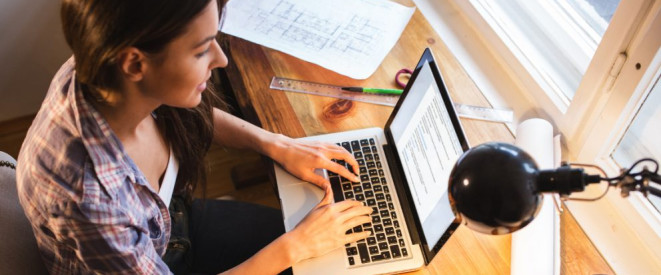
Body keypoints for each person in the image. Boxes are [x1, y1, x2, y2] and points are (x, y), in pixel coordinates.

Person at [16, 0, 373, 274]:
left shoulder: (108, 73)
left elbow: (190, 110)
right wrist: (296, 246)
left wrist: (277, 145)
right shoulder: (90, 201)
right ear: (135, 64)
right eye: (202, 49)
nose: (221, 61)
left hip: (172, 221)